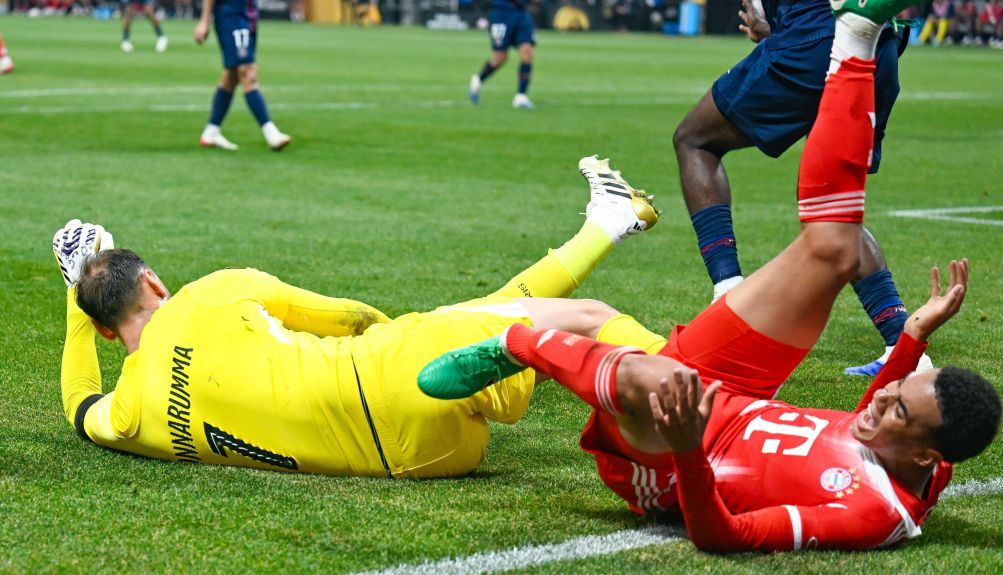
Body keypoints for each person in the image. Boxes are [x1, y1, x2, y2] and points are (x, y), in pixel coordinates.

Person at [420, 0, 1002, 551]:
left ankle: (514, 346)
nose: (880, 401)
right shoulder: (929, 454)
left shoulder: (871, 512)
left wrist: (687, 449)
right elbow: (870, 415)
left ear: (923, 455)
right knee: (832, 251)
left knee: (658, 379)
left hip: (668, 460)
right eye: (896, 392)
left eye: (897, 407)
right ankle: (856, 36)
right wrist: (911, 340)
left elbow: (724, 536)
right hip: (736, 393)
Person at [51, 158, 658, 478]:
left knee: (485, 324)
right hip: (393, 372)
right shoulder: (210, 294)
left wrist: (76, 291)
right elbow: (348, 318)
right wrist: (404, 329)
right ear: (154, 283)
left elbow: (79, 402)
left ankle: (607, 221)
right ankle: (698, 375)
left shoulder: (128, 415)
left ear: (102, 328)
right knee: (588, 319)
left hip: (420, 460)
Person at [672, 0, 922, 376]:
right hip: (879, 50)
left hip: (815, 43)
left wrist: (779, 25)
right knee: (834, 205)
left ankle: (727, 290)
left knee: (695, 140)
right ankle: (905, 351)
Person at [193, 0, 290, 151]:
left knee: (231, 75)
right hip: (231, 16)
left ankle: (211, 131)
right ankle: (271, 133)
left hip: (249, 15)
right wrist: (204, 20)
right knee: (247, 71)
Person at [468, 0, 536, 109]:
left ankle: (521, 96)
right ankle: (478, 79)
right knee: (500, 58)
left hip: (521, 12)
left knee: (527, 53)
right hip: (501, 13)